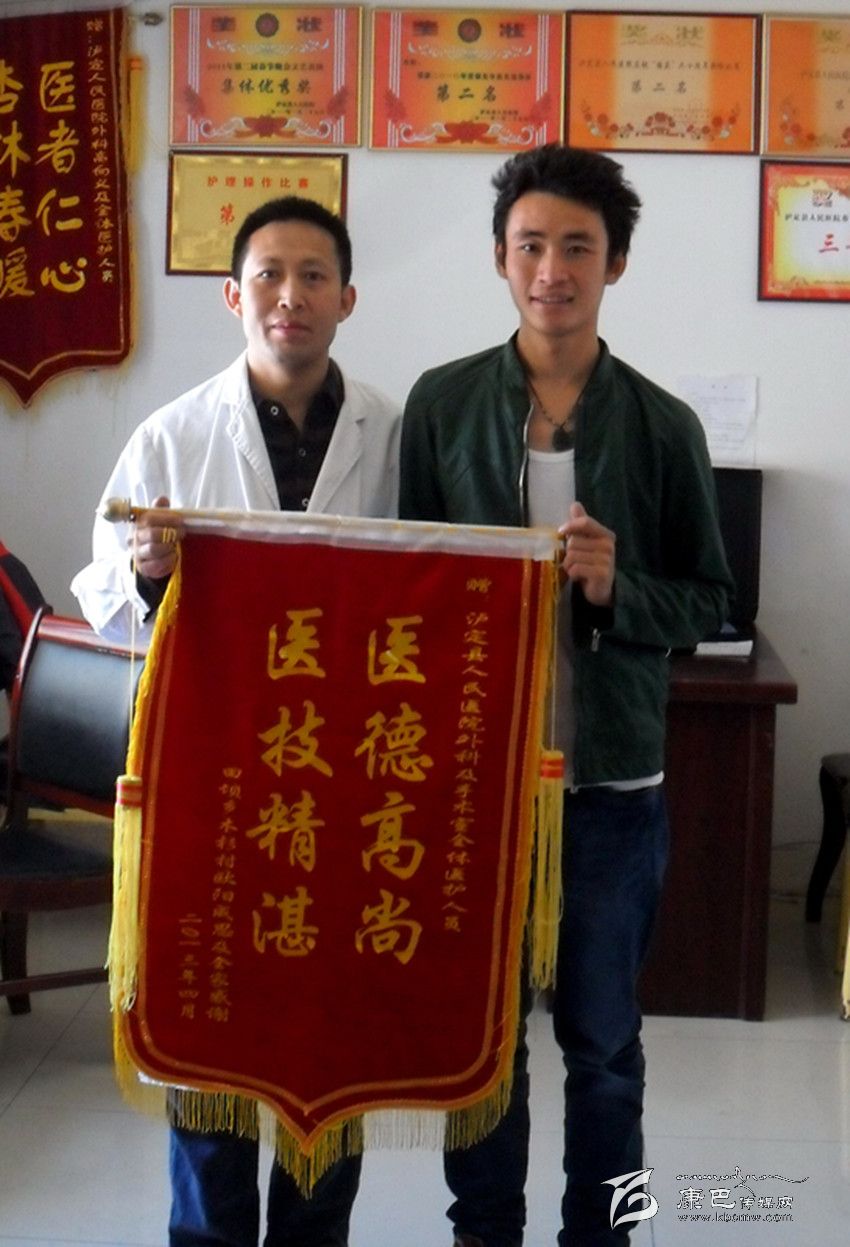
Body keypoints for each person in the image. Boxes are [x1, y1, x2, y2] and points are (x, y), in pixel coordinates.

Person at [399, 145, 733, 1247]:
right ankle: (482, 1231)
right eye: (531, 244)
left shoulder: (663, 424)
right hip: (478, 789)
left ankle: (609, 1232)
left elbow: (708, 601)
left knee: (607, 1049)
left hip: (610, 789)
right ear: (500, 259)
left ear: (615, 263)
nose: (553, 269)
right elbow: (405, 588)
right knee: (481, 1046)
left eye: (577, 247)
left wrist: (614, 584)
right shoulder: (443, 404)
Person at [72, 196, 401, 1247]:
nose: (289, 296)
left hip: (347, 782)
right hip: (213, 782)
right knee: (209, 1023)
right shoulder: (171, 435)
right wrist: (146, 570)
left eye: (313, 276)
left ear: (347, 298)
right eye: (268, 274)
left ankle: (316, 1233)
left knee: (330, 1035)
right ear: (232, 295)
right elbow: (100, 595)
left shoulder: (394, 432)